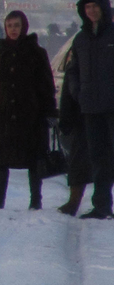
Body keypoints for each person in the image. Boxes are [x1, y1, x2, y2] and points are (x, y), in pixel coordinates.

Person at [0, 10, 55, 211]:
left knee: (34, 160)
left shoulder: (37, 54)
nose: (13, 30)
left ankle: (36, 201)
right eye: (10, 25)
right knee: (1, 161)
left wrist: (49, 112)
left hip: (31, 116)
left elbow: (46, 85)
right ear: (5, 28)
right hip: (4, 115)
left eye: (17, 25)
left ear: (24, 27)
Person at [66, 0, 114, 219]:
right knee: (98, 158)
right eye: (87, 7)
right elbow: (72, 71)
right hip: (91, 109)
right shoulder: (81, 39)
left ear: (103, 7)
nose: (91, 11)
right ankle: (102, 206)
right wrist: (78, 92)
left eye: (95, 6)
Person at [57, 51, 92, 215]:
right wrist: (65, 115)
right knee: (78, 160)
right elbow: (70, 78)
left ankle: (102, 203)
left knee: (104, 161)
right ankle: (74, 200)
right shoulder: (81, 41)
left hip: (106, 109)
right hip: (82, 111)